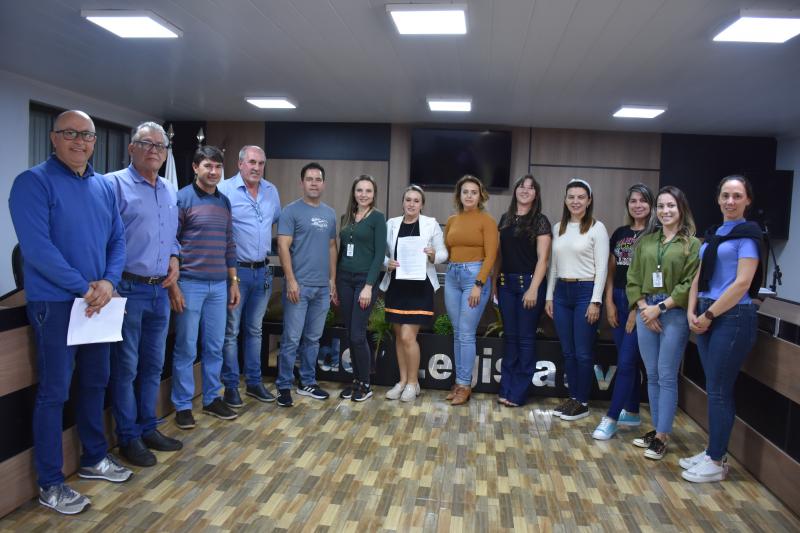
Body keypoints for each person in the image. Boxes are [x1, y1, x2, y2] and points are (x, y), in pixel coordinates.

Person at [9, 110, 132, 515]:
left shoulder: (103, 186)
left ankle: (94, 458)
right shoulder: (32, 182)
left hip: (98, 304)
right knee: (54, 393)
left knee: (96, 382)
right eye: (70, 133)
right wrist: (84, 287)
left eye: (87, 135)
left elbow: (118, 240)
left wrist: (109, 283)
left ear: (95, 142)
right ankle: (50, 483)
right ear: (53, 138)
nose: (80, 141)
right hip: (57, 304)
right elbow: (37, 249)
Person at [106, 122, 183, 467]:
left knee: (153, 365)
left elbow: (171, 235)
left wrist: (175, 257)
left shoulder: (168, 189)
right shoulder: (113, 185)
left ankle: (148, 427)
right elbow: (104, 237)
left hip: (159, 291)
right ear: (131, 148)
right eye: (146, 143)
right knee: (126, 368)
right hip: (126, 288)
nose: (154, 150)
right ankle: (128, 437)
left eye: (160, 146)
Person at [683, 175, 762, 482]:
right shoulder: (715, 233)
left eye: (737, 196)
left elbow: (742, 283)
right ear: (718, 199)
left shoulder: (748, 235)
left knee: (719, 390)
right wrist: (692, 310)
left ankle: (716, 461)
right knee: (713, 387)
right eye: (725, 195)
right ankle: (711, 452)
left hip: (731, 316)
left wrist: (709, 314)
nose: (730, 201)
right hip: (706, 311)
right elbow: (698, 275)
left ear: (747, 201)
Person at [169, 145, 241, 429]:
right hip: (190, 284)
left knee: (214, 347)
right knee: (186, 347)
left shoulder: (224, 202)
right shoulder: (182, 198)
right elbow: (171, 242)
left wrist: (233, 282)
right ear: (195, 168)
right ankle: (183, 405)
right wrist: (174, 284)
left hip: (219, 286)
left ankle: (212, 398)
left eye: (218, 167)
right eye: (208, 166)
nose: (213, 171)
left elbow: (229, 244)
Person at [627, 186, 700, 460]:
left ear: (681, 209)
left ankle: (662, 436)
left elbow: (688, 284)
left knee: (667, 374)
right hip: (646, 310)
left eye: (671, 205)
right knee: (652, 374)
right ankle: (658, 429)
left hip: (673, 312)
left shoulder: (692, 244)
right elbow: (633, 277)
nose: (665, 210)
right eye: (661, 206)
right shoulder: (646, 241)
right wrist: (644, 309)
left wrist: (659, 309)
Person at [217, 146, 281, 407]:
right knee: (231, 331)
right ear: (240, 163)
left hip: (263, 271)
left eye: (261, 163)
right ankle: (231, 386)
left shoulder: (271, 191)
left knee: (255, 330)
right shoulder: (224, 190)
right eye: (252, 162)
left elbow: (274, 223)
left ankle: (254, 383)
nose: (256, 167)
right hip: (236, 272)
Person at [593, 183, 655, 440]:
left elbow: (651, 276)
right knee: (627, 358)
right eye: (633, 201)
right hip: (617, 297)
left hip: (639, 302)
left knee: (627, 362)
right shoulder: (620, 233)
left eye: (643, 200)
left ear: (651, 204)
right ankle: (632, 411)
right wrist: (608, 301)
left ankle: (611, 418)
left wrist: (634, 310)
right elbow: (611, 269)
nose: (637, 205)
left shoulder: (656, 235)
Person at [545, 179, 609, 421]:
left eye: (581, 197)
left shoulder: (597, 228)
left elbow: (602, 268)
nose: (575, 201)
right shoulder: (558, 228)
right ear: (565, 200)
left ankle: (582, 402)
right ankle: (573, 398)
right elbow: (553, 267)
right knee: (568, 352)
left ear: (589, 200)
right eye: (571, 196)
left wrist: (596, 301)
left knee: (582, 352)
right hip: (562, 293)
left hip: (586, 291)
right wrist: (549, 296)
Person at [275, 162, 338, 407]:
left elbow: (332, 247)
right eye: (309, 179)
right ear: (301, 183)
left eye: (318, 179)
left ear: (324, 184)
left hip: (322, 288)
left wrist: (332, 280)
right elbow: (283, 246)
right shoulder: (290, 211)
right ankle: (283, 385)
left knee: (313, 339)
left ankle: (308, 382)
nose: (314, 183)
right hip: (298, 287)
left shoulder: (329, 213)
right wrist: (290, 280)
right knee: (291, 339)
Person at [381, 185, 448, 402]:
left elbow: (444, 253)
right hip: (397, 286)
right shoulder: (391, 224)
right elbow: (379, 253)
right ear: (403, 202)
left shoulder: (430, 224)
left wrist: (433, 255)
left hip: (420, 287)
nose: (411, 204)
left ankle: (412, 383)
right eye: (408, 200)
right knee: (399, 337)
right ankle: (402, 382)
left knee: (408, 336)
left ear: (422, 204)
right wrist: (387, 263)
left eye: (416, 201)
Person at [494, 175, 551, 407]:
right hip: (506, 285)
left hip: (529, 284)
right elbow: (500, 255)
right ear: (515, 190)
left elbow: (543, 259)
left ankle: (517, 393)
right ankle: (505, 388)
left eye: (530, 188)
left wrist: (533, 288)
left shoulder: (540, 221)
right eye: (521, 186)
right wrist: (494, 284)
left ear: (536, 194)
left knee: (526, 339)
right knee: (510, 338)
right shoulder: (505, 219)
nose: (525, 190)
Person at [444, 175, 498, 405]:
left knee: (466, 333)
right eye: (465, 191)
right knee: (458, 332)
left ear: (480, 196)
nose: (469, 195)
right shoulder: (452, 220)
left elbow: (491, 256)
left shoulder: (487, 221)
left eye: (473, 192)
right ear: (459, 195)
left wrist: (478, 284)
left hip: (474, 278)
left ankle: (465, 385)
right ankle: (459, 382)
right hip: (452, 276)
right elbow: (448, 250)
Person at [336, 175, 387, 402]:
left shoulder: (378, 218)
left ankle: (366, 383)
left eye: (368, 190)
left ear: (374, 194)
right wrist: (334, 283)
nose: (363, 194)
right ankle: (356, 380)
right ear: (354, 193)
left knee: (357, 335)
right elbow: (341, 252)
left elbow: (379, 255)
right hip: (344, 279)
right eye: (359, 190)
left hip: (364, 282)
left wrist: (368, 286)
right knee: (350, 333)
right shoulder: (345, 217)